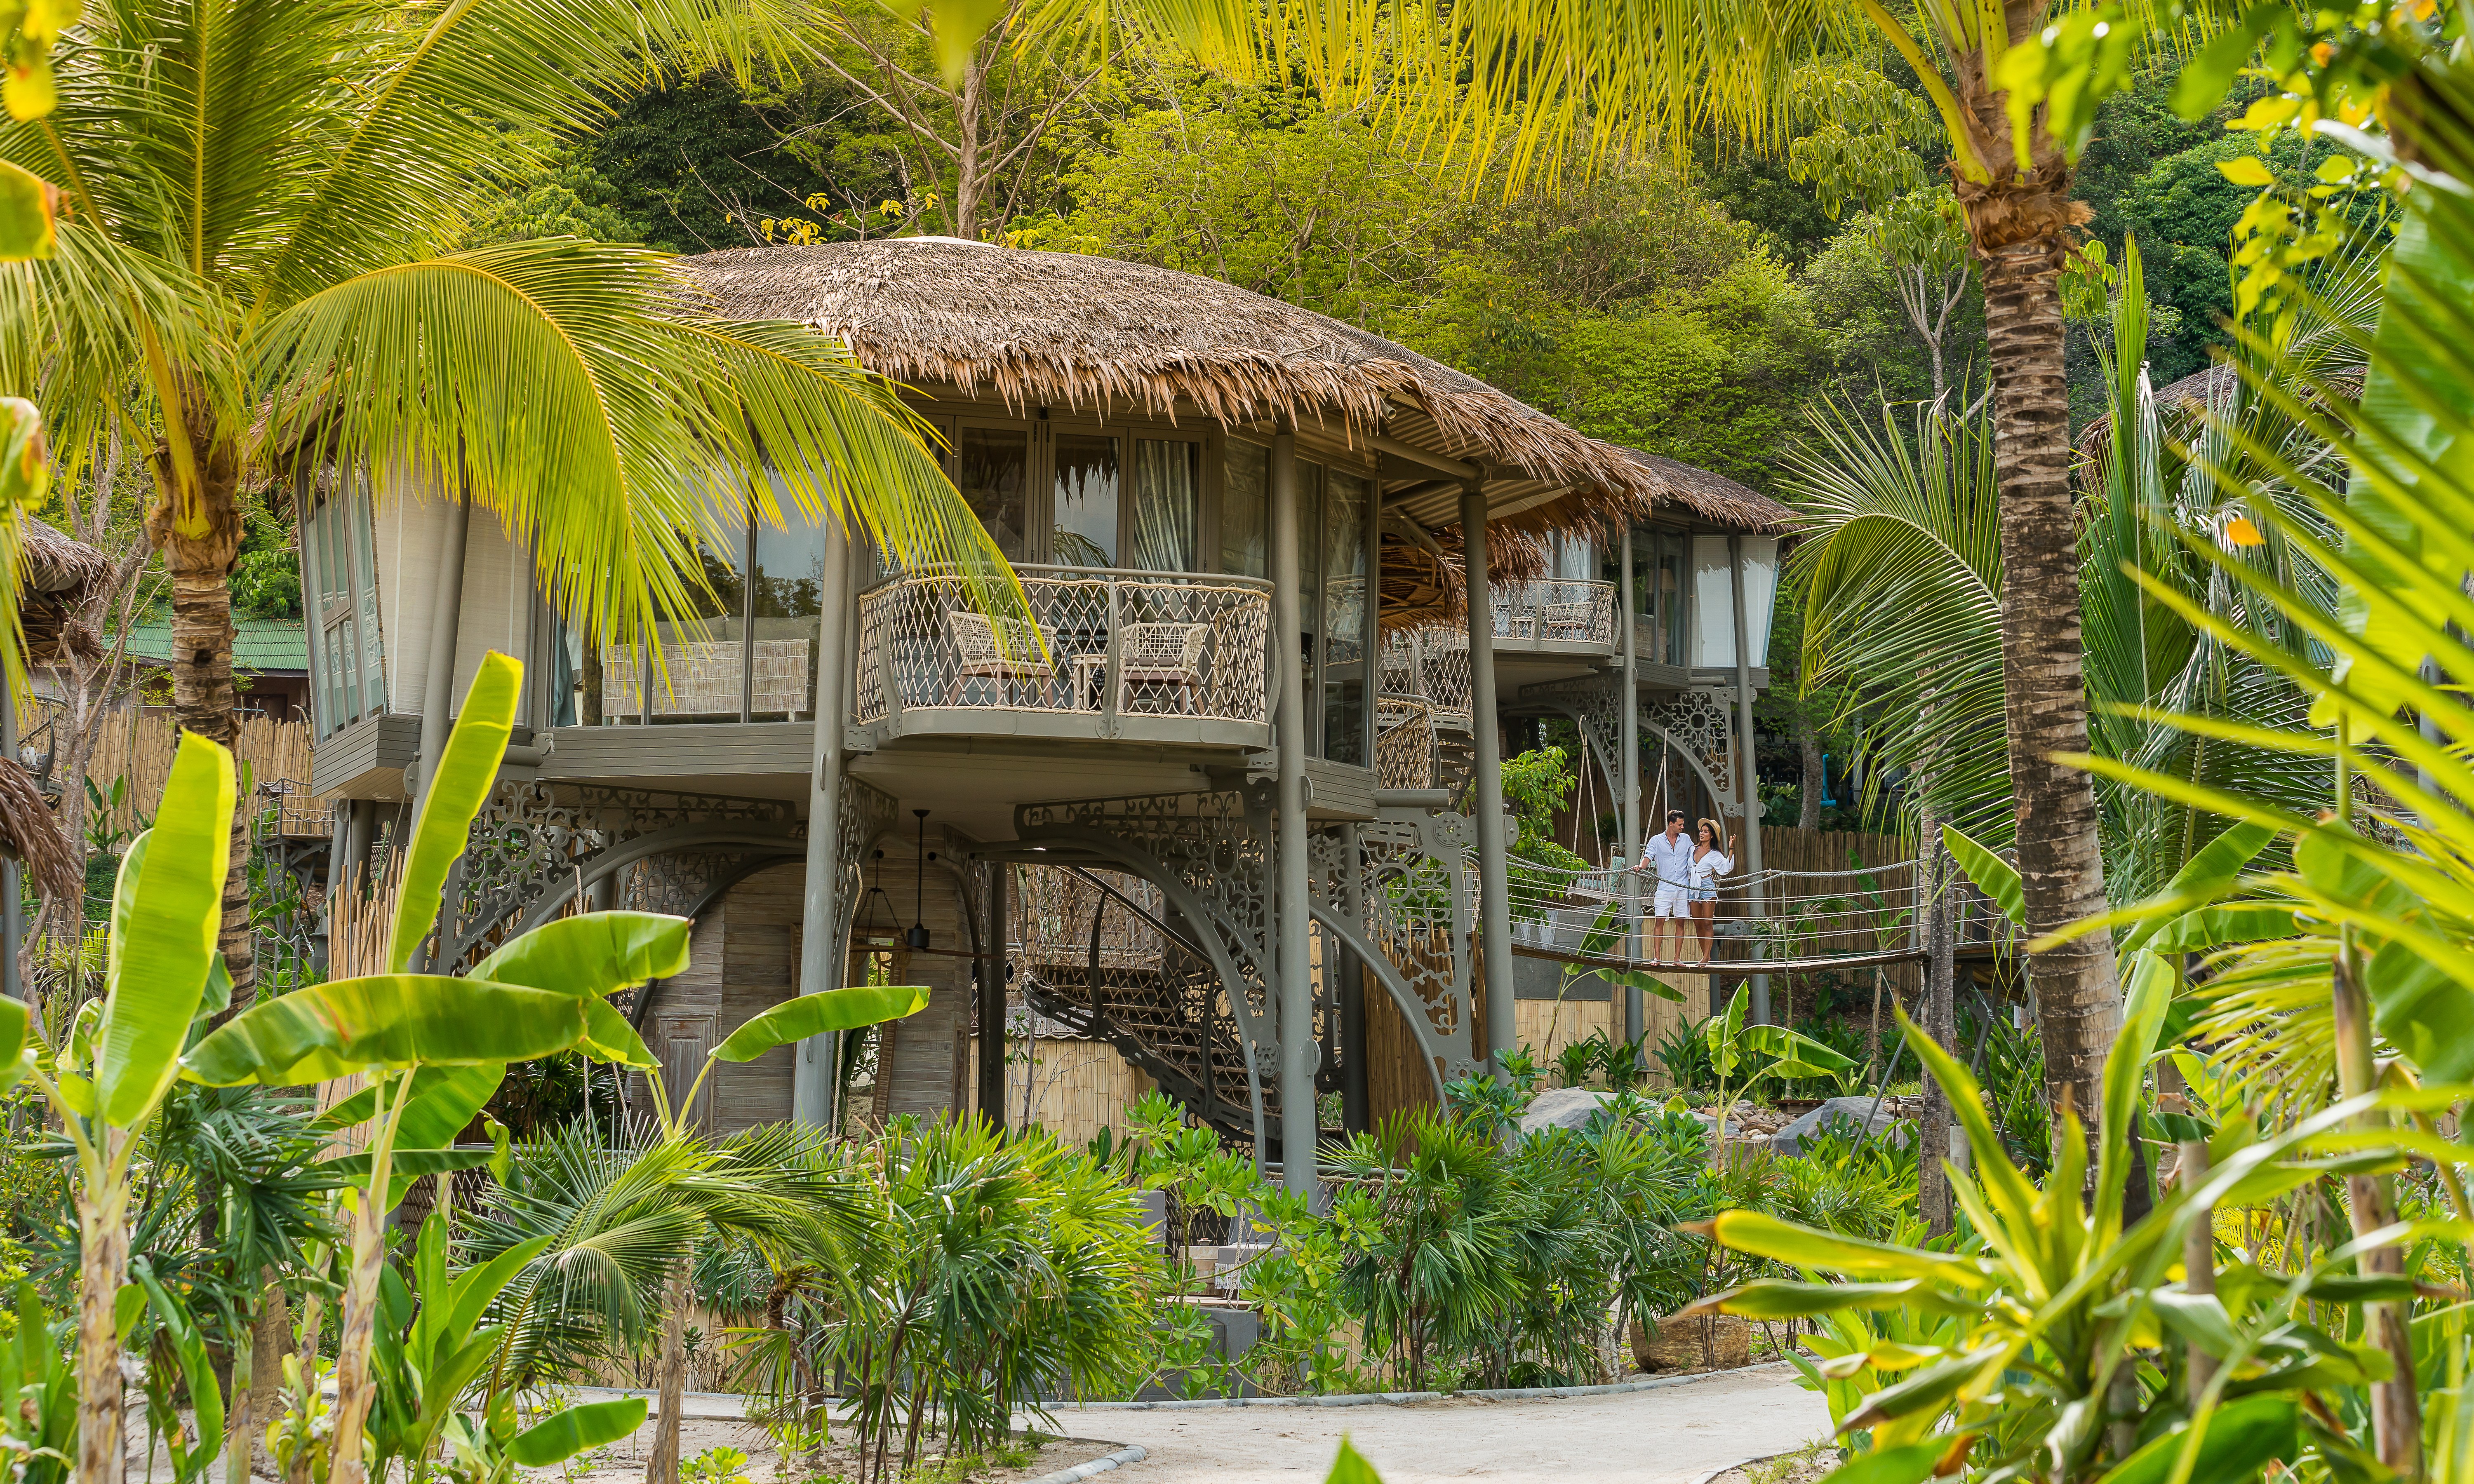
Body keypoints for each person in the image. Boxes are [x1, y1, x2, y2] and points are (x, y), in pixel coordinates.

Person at [1632, 809, 1695, 962]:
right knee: (1659, 920)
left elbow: (1695, 855)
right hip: (1665, 887)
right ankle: (1657, 957)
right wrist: (1641, 866)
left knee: (1681, 923)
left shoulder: (1686, 839)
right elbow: (1648, 856)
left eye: (1683, 824)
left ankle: (1677, 958)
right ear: (1671, 824)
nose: (1683, 827)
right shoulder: (1656, 840)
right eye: (1680, 824)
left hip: (1683, 887)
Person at [1688, 818, 1736, 962]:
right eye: (1701, 831)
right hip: (1692, 886)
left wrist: (1731, 849)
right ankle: (1706, 955)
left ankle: (1705, 957)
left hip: (1707, 885)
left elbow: (1726, 868)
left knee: (1708, 923)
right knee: (1698, 923)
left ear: (1712, 835)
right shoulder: (1693, 849)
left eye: (1706, 832)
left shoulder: (1715, 854)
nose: (1702, 834)